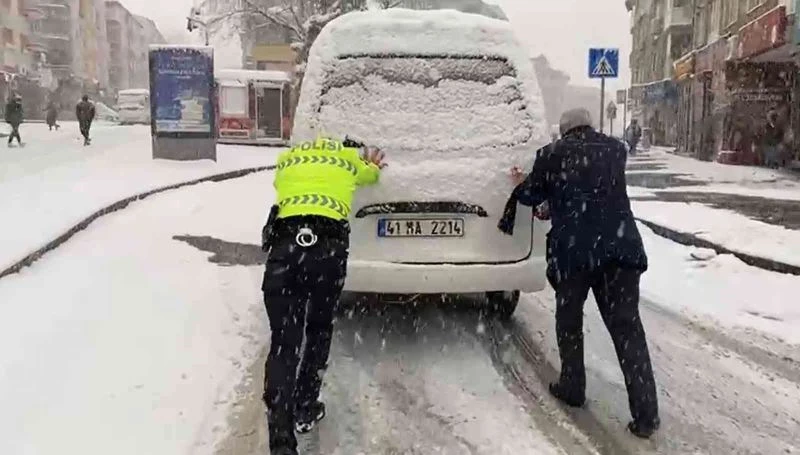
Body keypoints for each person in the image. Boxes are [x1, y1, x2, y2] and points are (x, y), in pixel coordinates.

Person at [498, 108, 660, 439]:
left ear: (564, 130)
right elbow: (586, 187)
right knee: (628, 330)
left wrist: (521, 183)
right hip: (620, 250)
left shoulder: (552, 154)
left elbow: (533, 195)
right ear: (589, 125)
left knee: (569, 321)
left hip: (575, 254)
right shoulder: (616, 150)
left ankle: (573, 386)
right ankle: (646, 415)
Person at [260, 136, 385, 455]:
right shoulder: (347, 158)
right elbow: (372, 175)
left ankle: (281, 442)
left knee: (283, 345)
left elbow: (280, 182)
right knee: (318, 329)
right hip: (327, 251)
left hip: (285, 248)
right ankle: (305, 406)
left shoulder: (289, 158)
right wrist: (368, 161)